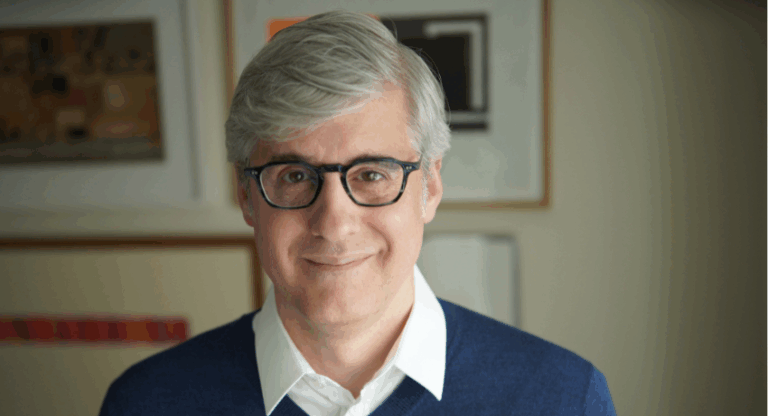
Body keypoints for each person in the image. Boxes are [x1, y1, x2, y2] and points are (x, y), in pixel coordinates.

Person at [100, 10, 616, 416]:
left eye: (372, 174)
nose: (334, 223)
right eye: (295, 175)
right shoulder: (145, 403)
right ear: (246, 196)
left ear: (429, 186)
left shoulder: (564, 399)